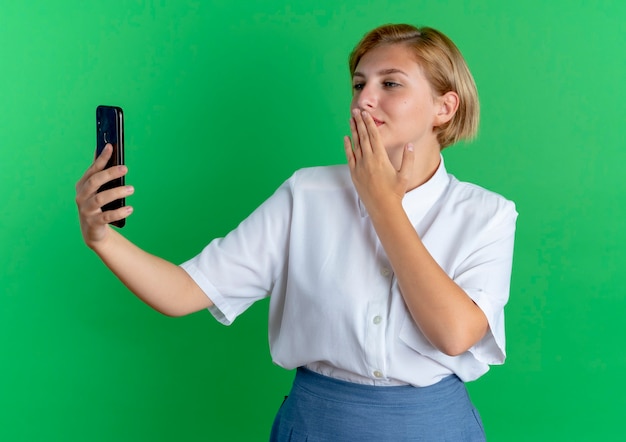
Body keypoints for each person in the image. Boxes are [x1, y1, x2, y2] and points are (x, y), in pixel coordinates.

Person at [76, 23, 517, 441]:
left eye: (391, 83)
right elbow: (181, 292)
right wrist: (101, 238)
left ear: (445, 107)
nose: (365, 99)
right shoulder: (306, 193)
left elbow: (455, 334)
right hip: (316, 424)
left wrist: (384, 206)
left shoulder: (487, 214)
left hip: (435, 427)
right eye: (359, 84)